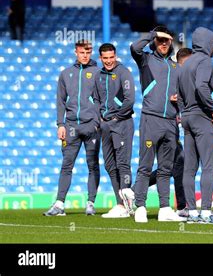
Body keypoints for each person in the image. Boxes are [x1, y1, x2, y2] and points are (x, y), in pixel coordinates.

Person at [126, 47, 193, 217]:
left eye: (167, 40)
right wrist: (154, 34)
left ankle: (164, 208)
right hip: (151, 119)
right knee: (145, 166)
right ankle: (140, 205)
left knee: (166, 168)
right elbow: (135, 47)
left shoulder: (176, 69)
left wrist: (179, 102)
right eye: (160, 40)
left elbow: (185, 99)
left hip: (170, 123)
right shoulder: (147, 60)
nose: (163, 43)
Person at [44, 40, 100, 216]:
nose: (85, 55)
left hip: (91, 126)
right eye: (82, 52)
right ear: (76, 52)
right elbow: (60, 101)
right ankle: (59, 204)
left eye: (88, 52)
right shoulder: (66, 73)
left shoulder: (98, 72)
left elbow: (103, 99)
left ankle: (91, 202)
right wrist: (60, 124)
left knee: (92, 165)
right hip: (71, 127)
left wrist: (97, 121)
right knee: (67, 165)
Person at [178, 27, 213, 224]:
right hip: (202, 117)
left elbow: (178, 92)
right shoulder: (205, 60)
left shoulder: (186, 64)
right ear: (207, 43)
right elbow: (201, 86)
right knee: (208, 166)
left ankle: (191, 212)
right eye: (212, 44)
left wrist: (183, 113)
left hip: (187, 117)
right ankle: (206, 212)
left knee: (190, 168)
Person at [93, 43, 135, 218]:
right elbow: (95, 99)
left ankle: (127, 204)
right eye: (105, 58)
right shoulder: (98, 75)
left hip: (122, 123)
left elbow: (129, 99)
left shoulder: (124, 72)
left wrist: (117, 117)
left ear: (115, 56)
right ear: (101, 58)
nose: (109, 61)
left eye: (112, 57)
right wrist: (101, 118)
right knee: (110, 165)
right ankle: (120, 203)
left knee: (122, 163)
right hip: (105, 126)